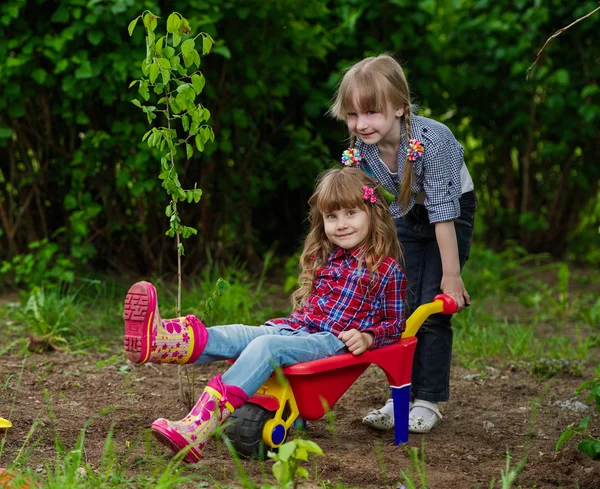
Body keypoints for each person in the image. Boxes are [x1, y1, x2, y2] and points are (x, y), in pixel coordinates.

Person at [123, 166, 407, 463]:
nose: (340, 224)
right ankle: (160, 341)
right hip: (295, 329)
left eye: (351, 213)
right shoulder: (324, 255)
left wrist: (367, 336)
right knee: (238, 334)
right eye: (331, 217)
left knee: (265, 347)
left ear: (372, 213)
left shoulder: (387, 269)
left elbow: (395, 323)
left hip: (329, 342)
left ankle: (199, 426)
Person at [329, 54, 477, 434]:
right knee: (398, 303)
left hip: (450, 210)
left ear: (399, 108)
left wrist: (452, 276)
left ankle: (427, 400)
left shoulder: (435, 141)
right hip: (403, 213)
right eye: (352, 114)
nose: (361, 124)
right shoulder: (361, 149)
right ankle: (400, 397)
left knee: (431, 304)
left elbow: (442, 213)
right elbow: (365, 210)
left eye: (372, 112)